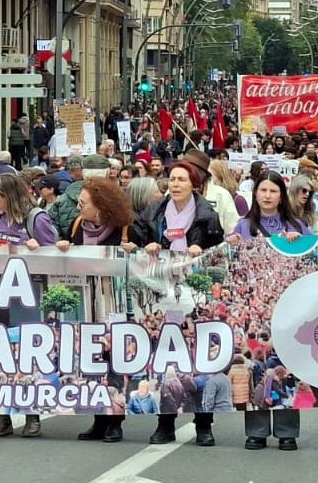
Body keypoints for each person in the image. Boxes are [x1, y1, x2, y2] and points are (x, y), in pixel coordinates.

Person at [126, 160, 223, 447]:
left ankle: (203, 425)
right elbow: (136, 237)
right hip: (163, 296)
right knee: (168, 364)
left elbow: (219, 251)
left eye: (182, 179)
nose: (176, 184)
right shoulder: (153, 212)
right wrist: (148, 245)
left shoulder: (207, 214)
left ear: (194, 184)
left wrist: (201, 249)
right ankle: (165, 424)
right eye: (172, 179)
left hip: (196, 296)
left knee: (198, 364)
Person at [225, 170, 307, 452]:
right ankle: (257, 430)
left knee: (285, 370)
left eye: (274, 191)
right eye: (263, 191)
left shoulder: (296, 224)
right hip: (254, 314)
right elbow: (232, 266)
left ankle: (287, 431)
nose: (268, 196)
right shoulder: (244, 225)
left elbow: (311, 257)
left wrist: (301, 241)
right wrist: (231, 245)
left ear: (281, 195)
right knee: (257, 369)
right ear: (255, 194)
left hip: (289, 310)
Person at [0, 172, 57, 438]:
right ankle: (4, 414)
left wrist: (39, 249)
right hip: (2, 294)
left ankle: (32, 414)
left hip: (30, 296)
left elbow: (57, 257)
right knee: (1, 352)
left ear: (9, 196)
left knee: (26, 353)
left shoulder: (37, 219)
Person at [59, 178, 136, 444]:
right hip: (90, 309)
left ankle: (115, 422)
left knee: (114, 366)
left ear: (101, 207)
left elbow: (146, 262)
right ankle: (98, 419)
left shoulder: (126, 229)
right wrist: (65, 248)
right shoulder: (79, 226)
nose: (78, 205)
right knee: (93, 366)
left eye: (83, 202)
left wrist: (136, 251)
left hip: (116, 309)